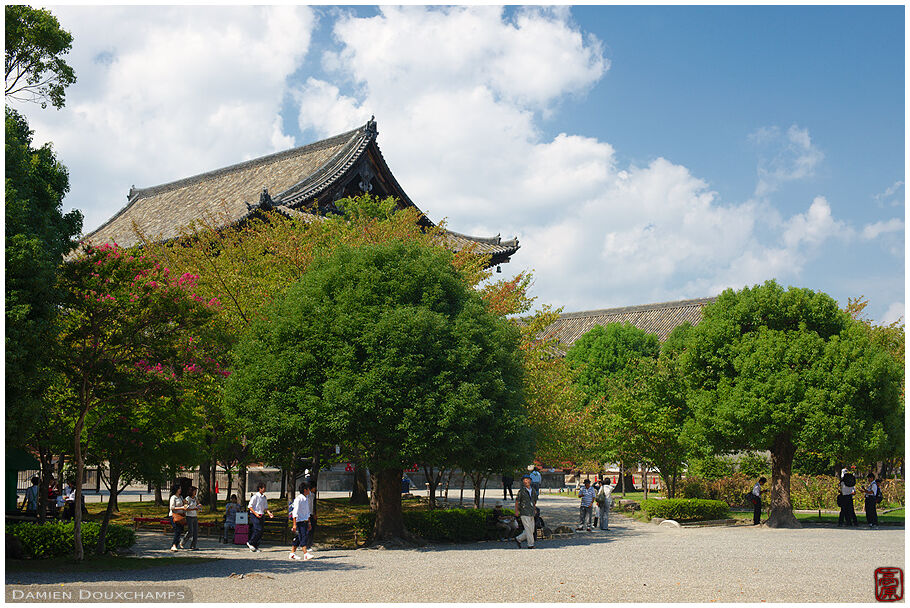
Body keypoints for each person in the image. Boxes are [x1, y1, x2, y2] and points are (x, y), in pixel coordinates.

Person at [289, 482, 313, 560]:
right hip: (300, 521)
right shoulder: (299, 499)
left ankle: (292, 553)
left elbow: (307, 512)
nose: (309, 490)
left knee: (298, 537)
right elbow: (295, 512)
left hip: (305, 520)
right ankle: (305, 553)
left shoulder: (305, 499)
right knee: (303, 536)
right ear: (305, 490)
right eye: (308, 489)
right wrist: (294, 524)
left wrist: (309, 522)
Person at [247, 482, 274, 552]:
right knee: (257, 529)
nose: (265, 489)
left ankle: (255, 546)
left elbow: (265, 507)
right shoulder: (255, 497)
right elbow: (250, 507)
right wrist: (255, 514)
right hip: (254, 515)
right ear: (260, 488)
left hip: (261, 514)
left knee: (261, 531)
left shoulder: (264, 497)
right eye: (263, 488)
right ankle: (250, 542)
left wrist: (269, 513)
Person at [513, 475, 536, 549]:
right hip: (524, 511)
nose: (527, 481)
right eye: (525, 480)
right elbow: (517, 502)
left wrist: (535, 509)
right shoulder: (521, 491)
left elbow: (534, 501)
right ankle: (530, 545)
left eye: (528, 479)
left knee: (531, 530)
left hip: (531, 511)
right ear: (523, 481)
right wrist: (516, 511)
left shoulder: (533, 490)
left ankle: (518, 538)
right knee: (528, 528)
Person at [168, 484, 187, 552]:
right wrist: (181, 507)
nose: (180, 490)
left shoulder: (181, 497)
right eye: (179, 488)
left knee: (180, 530)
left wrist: (185, 505)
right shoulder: (173, 497)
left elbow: (184, 504)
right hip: (174, 516)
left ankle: (176, 543)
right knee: (177, 530)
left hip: (180, 515)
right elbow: (172, 507)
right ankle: (174, 545)